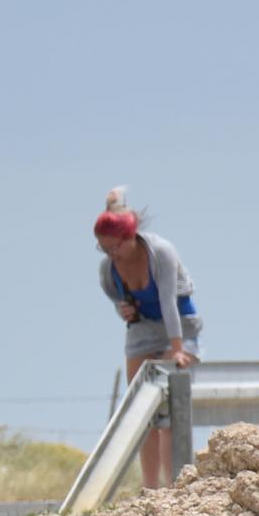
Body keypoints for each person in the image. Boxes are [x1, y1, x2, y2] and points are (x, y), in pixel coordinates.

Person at [94, 187, 203, 489]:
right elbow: (117, 298)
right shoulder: (108, 269)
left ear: (130, 237)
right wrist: (123, 309)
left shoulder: (161, 252)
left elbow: (169, 301)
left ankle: (175, 486)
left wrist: (178, 349)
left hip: (179, 322)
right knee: (142, 410)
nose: (112, 255)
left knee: (169, 407)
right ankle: (150, 488)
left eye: (116, 247)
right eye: (105, 249)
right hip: (142, 328)